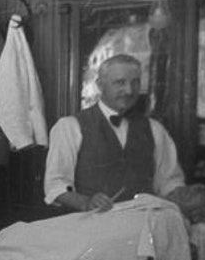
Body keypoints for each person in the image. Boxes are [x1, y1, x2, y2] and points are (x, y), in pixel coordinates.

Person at [44, 54, 187, 213]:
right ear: (100, 85)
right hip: (92, 229)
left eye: (135, 82)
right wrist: (85, 202)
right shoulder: (69, 127)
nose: (129, 90)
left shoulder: (154, 129)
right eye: (120, 82)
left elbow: (170, 182)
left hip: (141, 227)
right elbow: (55, 185)